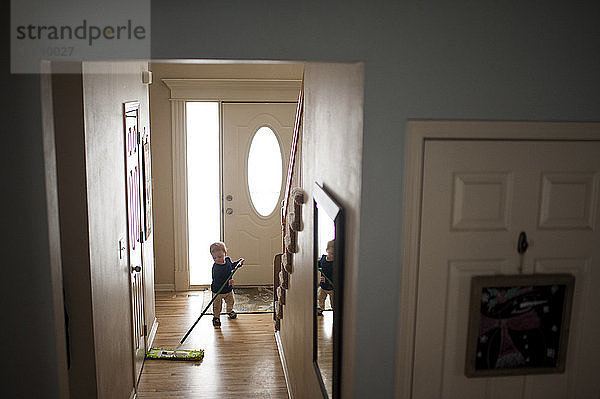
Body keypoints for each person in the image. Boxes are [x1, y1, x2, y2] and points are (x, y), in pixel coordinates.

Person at [209, 241, 244, 327]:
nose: (218, 259)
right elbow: (217, 280)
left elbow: (231, 266)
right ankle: (216, 317)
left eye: (220, 257)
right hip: (218, 291)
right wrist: (227, 281)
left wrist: (239, 263)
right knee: (217, 306)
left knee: (230, 301)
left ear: (225, 253)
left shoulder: (227, 260)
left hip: (228, 289)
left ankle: (229, 311)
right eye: (215, 258)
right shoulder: (216, 268)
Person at [317, 239, 335, 316]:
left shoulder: (335, 263)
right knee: (320, 298)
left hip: (332, 287)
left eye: (334, 254)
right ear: (327, 250)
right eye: (330, 253)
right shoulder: (323, 259)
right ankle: (320, 310)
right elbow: (319, 264)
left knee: (333, 301)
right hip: (323, 286)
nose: (332, 256)